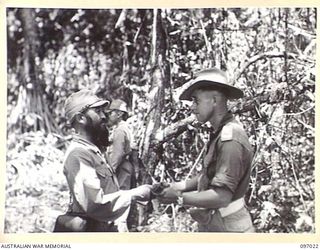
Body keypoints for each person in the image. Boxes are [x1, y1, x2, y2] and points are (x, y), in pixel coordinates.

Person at [156, 68, 255, 232]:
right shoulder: (219, 132)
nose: (192, 107)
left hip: (229, 229)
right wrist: (178, 186)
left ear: (215, 101)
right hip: (215, 223)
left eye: (196, 101)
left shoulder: (230, 138)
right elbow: (208, 176)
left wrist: (179, 198)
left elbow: (222, 197)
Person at [61, 89, 151, 232]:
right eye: (98, 111)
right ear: (80, 118)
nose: (104, 116)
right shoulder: (79, 155)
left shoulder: (95, 150)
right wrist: (136, 193)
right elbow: (95, 204)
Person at [106, 99, 135, 190]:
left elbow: (118, 154)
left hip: (121, 168)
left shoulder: (120, 131)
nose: (109, 116)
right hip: (123, 167)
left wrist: (110, 172)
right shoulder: (121, 128)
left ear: (119, 114)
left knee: (121, 198)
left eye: (111, 113)